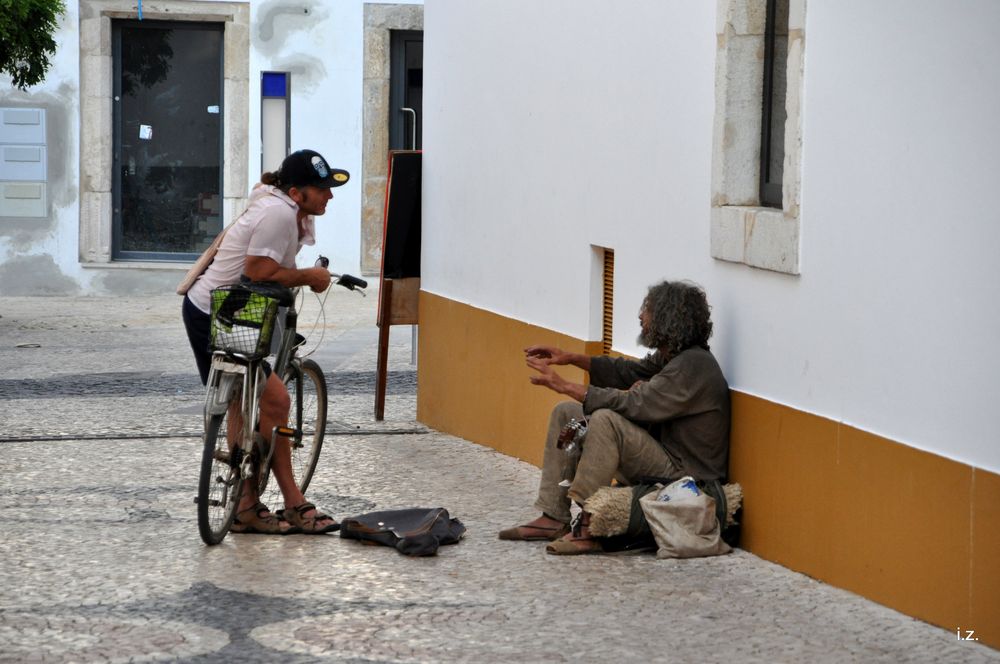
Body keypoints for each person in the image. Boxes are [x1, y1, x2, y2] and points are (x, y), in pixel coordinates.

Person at [182, 149, 349, 535]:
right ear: (295, 191)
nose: (329, 196)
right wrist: (309, 276)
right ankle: (294, 502)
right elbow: (258, 269)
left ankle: (244, 506)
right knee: (275, 399)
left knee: (245, 398)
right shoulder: (277, 213)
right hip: (220, 312)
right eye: (320, 189)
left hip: (216, 307)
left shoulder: (277, 203)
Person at [499, 280, 730, 555]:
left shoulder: (694, 365)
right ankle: (553, 516)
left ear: (670, 319)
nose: (641, 317)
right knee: (566, 412)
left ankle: (589, 523)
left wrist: (566, 385)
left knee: (607, 420)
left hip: (686, 475)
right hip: (663, 454)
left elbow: (636, 404)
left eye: (648, 311)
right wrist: (570, 358)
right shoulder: (673, 357)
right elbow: (628, 373)